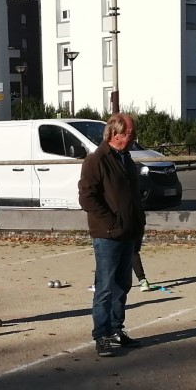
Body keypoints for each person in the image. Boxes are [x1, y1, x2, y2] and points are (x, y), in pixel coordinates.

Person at [78, 113, 147, 356]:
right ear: (115, 134)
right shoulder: (96, 160)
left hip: (129, 232)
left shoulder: (126, 159)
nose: (133, 137)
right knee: (105, 287)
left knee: (122, 285)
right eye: (130, 133)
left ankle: (117, 330)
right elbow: (87, 197)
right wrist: (112, 223)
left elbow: (133, 197)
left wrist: (138, 224)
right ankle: (102, 335)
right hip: (107, 235)